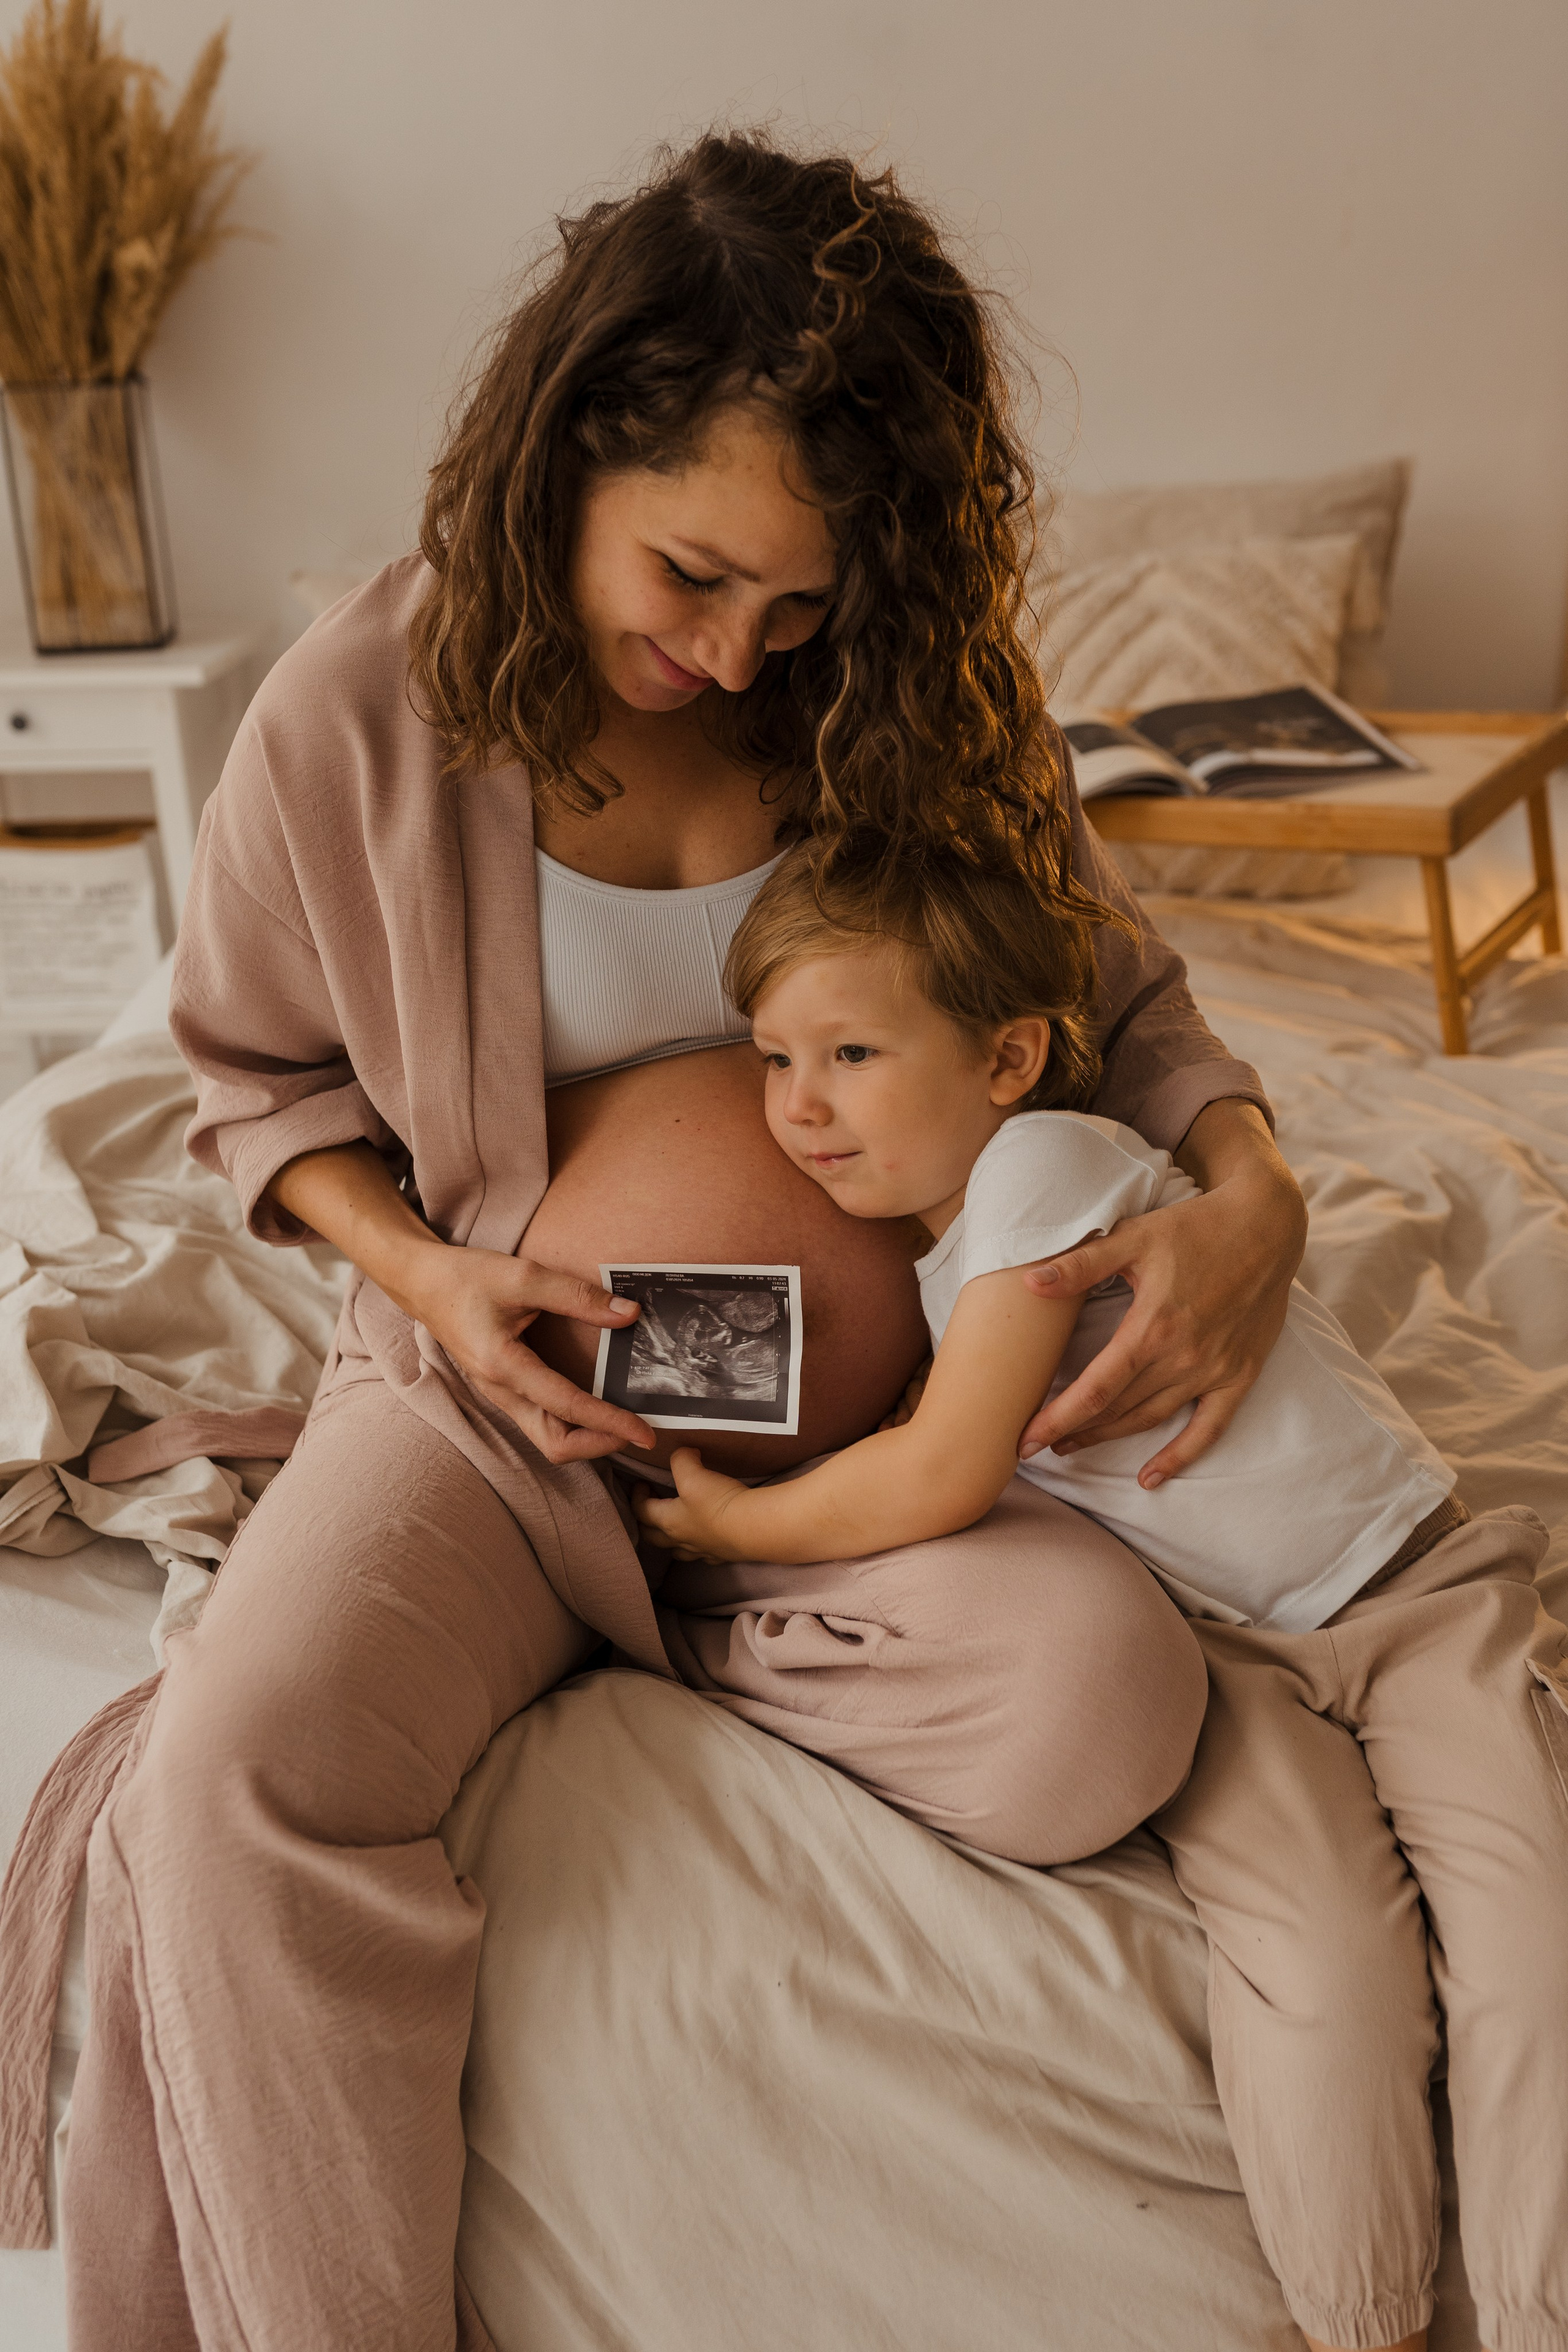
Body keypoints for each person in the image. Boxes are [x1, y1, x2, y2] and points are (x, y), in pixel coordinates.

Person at [0, 134, 1311, 2351]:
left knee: (1115, 1701)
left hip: (892, 1466)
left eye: (796, 605)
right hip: (520, 1425)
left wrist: (1261, 1199)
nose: (731, 651)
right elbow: (250, 1075)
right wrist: (424, 1280)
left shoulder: (910, 698)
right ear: (572, 440)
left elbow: (1134, 1007)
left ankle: (689, 1636)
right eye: (695, 575)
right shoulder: (364, 708)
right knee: (232, 1787)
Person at [636, 829, 1568, 2352]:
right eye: (773, 1059)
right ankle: (1368, 2324)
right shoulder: (942, 1271)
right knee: (1322, 1962)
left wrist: (731, 1520)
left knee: (1525, 1927)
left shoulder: (1043, 1165)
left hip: (1408, 1596)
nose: (797, 1107)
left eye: (852, 1052)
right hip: (1231, 1661)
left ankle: (1531, 2315)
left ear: (1007, 1058)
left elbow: (942, 1474)